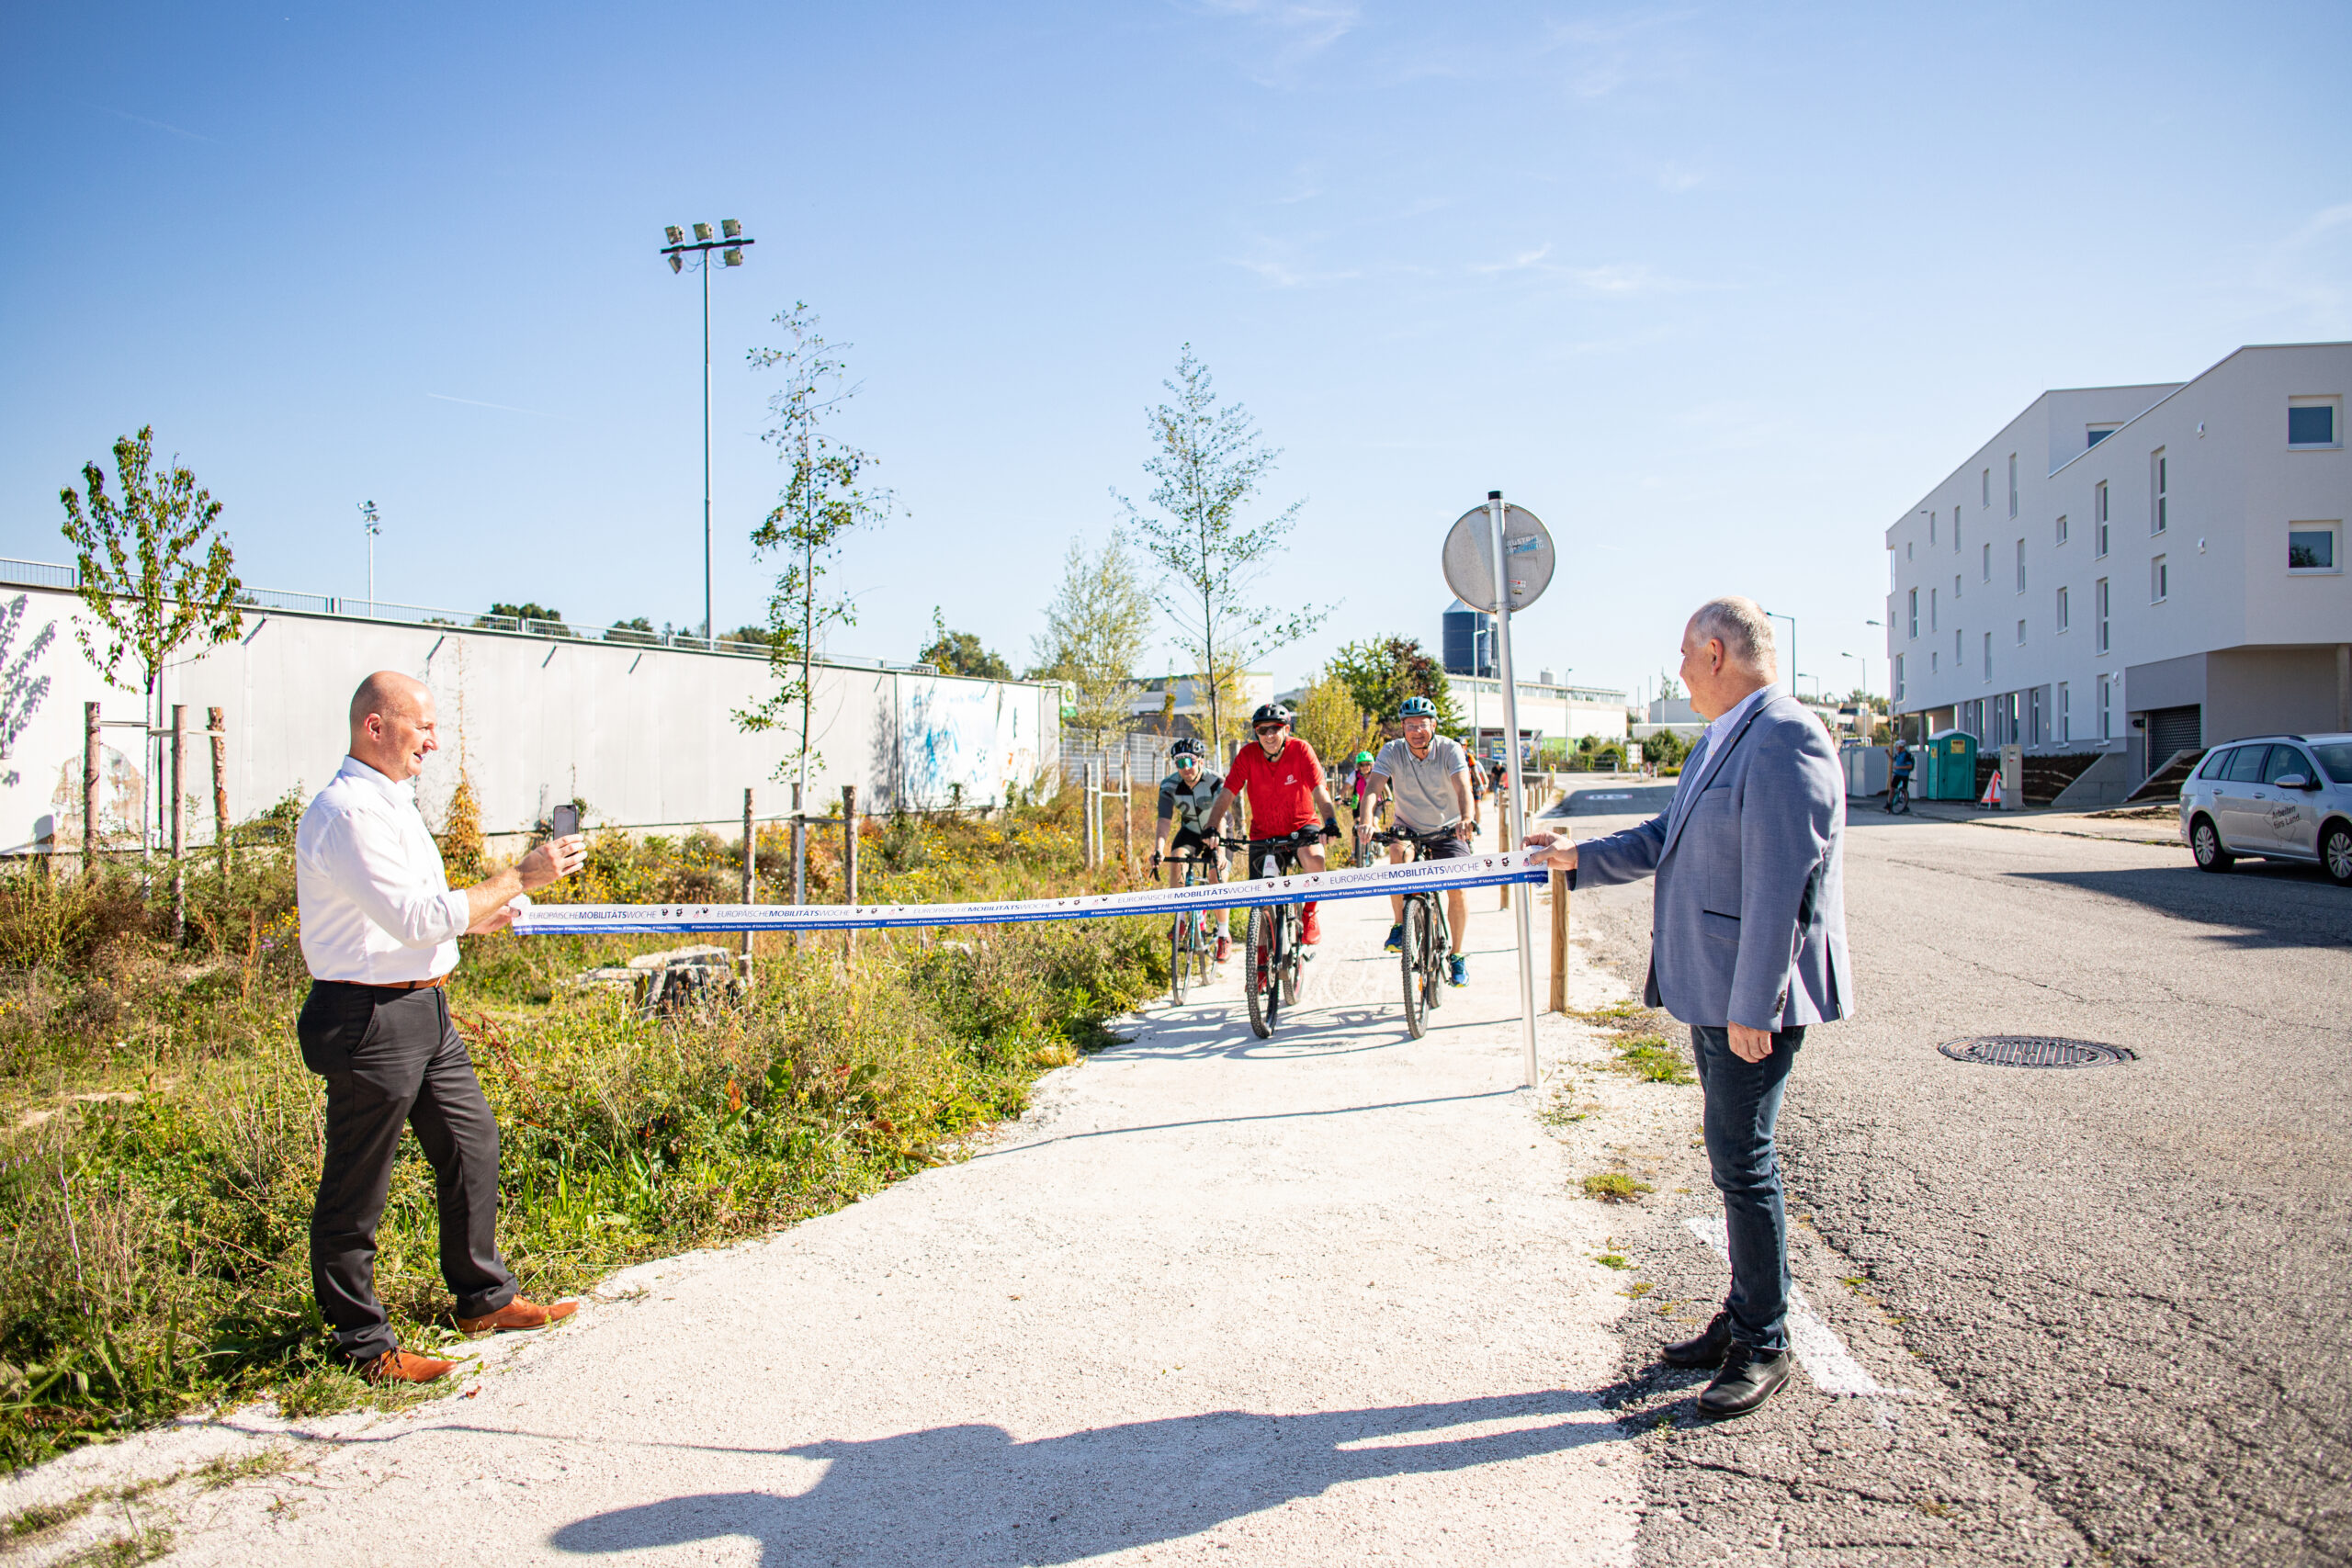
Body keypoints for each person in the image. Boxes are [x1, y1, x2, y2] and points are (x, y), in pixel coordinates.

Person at [1521, 597, 1850, 1420]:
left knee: (1746, 1161)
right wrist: (1577, 857)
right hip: (1717, 987)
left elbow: (1785, 885)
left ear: (1714, 652)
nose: (1675, 671)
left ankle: (1766, 1342)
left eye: (1680, 655)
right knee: (1731, 1158)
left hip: (1750, 997)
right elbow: (1667, 833)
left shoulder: (1784, 735)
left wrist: (1756, 1004)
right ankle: (1744, 1315)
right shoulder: (1722, 735)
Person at [294, 671, 588, 1384]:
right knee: (357, 1187)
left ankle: (482, 1296)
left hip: (422, 1006)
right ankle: (361, 1346)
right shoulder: (346, 814)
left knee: (471, 1139)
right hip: (369, 1018)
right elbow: (416, 918)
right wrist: (519, 874)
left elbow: (420, 914)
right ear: (374, 726)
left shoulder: (390, 804)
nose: (432, 737)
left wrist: (479, 917)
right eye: (420, 724)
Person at [1198, 703, 1341, 946]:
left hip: (1301, 825)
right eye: (1262, 730)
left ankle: (1309, 912)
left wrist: (1330, 821)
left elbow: (1320, 790)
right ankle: (1261, 966)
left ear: (1286, 729)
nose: (1269, 735)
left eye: (1275, 728)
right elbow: (1227, 793)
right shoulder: (1247, 754)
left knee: (1315, 860)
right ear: (1256, 733)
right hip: (1264, 833)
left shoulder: (1302, 750)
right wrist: (1212, 825)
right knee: (1261, 905)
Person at [1359, 696, 1476, 987]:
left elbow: (1463, 787)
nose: (1416, 731)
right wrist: (1365, 820)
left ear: (1433, 725)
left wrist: (1466, 818)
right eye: (1410, 725)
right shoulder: (1392, 751)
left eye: (1422, 724)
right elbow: (1373, 788)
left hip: (1448, 828)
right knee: (1397, 852)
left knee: (1458, 889)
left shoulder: (1449, 749)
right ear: (1402, 727)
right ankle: (1400, 924)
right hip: (1408, 826)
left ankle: (1457, 956)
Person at [1152, 736, 1230, 964]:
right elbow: (1164, 820)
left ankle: (1224, 934)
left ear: (1201, 762)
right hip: (1190, 831)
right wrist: (1158, 849)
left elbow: (1222, 818)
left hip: (1219, 829)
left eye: (1190, 762)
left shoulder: (1216, 781)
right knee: (1177, 858)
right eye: (1180, 763)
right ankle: (1182, 917)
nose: (1185, 768)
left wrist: (1222, 851)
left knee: (1217, 875)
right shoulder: (1169, 785)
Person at [1887, 740, 1915, 815]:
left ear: (1901, 747)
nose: (1896, 748)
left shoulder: (1907, 755)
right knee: (1892, 788)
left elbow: (1910, 766)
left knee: (1904, 790)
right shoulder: (1898, 754)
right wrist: (1888, 754)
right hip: (1897, 774)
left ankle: (1905, 805)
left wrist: (1899, 767)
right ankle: (1889, 804)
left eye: (1897, 747)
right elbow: (1893, 760)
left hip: (1904, 775)